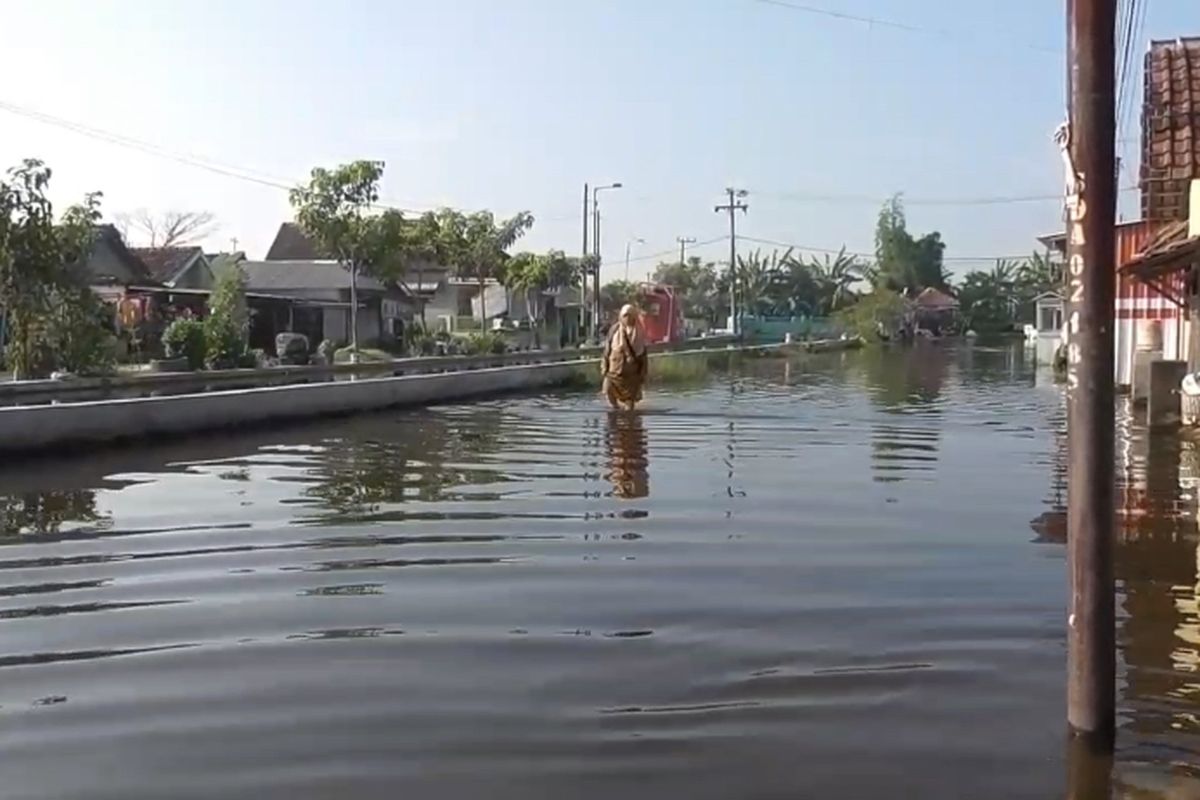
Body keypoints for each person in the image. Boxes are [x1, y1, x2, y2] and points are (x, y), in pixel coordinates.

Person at [601, 304, 649, 410]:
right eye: (625, 315)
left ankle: (630, 422)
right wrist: (604, 366)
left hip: (631, 376)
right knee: (609, 391)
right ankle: (616, 414)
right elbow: (607, 350)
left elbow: (643, 356)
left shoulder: (639, 333)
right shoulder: (615, 330)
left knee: (629, 402)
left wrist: (643, 374)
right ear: (621, 317)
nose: (627, 318)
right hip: (614, 371)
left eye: (630, 315)